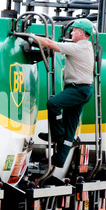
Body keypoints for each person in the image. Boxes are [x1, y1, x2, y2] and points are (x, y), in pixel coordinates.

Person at [34, 18, 94, 168]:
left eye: (73, 30)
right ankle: (59, 159)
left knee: (53, 104)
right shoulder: (86, 47)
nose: (71, 32)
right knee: (71, 127)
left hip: (78, 89)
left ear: (81, 32)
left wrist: (32, 37)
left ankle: (57, 134)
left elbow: (50, 44)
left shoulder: (79, 47)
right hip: (82, 89)